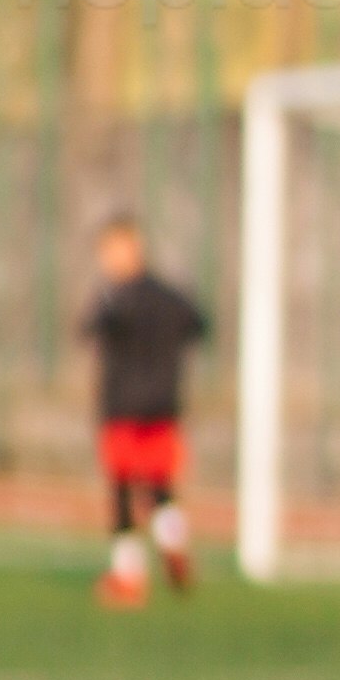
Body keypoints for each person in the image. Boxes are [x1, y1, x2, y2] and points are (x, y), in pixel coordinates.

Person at [77, 212, 208, 601]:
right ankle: (173, 539)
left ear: (131, 248)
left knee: (122, 488)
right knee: (159, 485)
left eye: (111, 250)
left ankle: (128, 575)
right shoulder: (171, 296)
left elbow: (88, 329)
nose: (107, 259)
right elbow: (199, 326)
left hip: (123, 407)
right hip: (164, 405)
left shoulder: (114, 297)